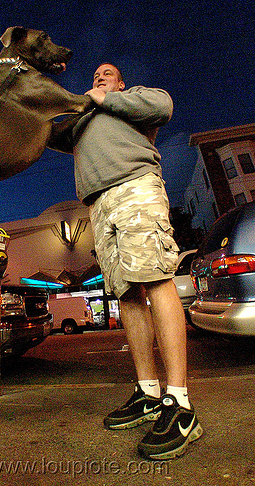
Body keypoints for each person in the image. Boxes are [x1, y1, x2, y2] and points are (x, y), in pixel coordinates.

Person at [49, 63, 203, 460]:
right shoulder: (83, 119)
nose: (99, 76)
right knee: (127, 295)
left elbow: (163, 105)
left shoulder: (131, 99)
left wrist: (109, 99)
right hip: (98, 206)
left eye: (108, 73)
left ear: (119, 82)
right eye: (95, 74)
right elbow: (46, 131)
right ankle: (149, 392)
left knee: (155, 278)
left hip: (135, 186)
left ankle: (180, 404)